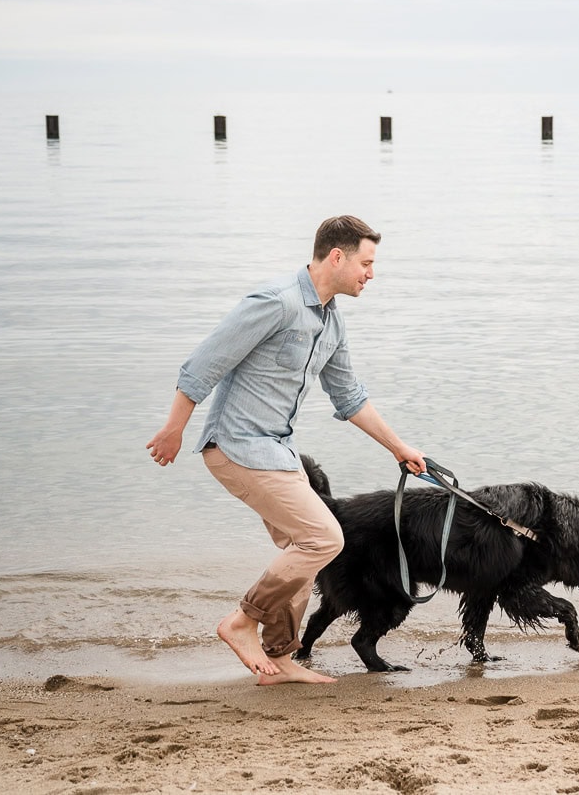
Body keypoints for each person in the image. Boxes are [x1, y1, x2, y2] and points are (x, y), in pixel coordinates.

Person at [145, 215, 426, 686]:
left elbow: (349, 396)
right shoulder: (275, 302)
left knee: (304, 547)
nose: (371, 274)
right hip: (236, 447)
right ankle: (242, 621)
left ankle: (278, 658)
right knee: (324, 538)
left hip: (278, 452)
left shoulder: (331, 321)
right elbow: (204, 363)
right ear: (336, 257)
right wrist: (174, 429)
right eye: (366, 263)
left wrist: (399, 448)